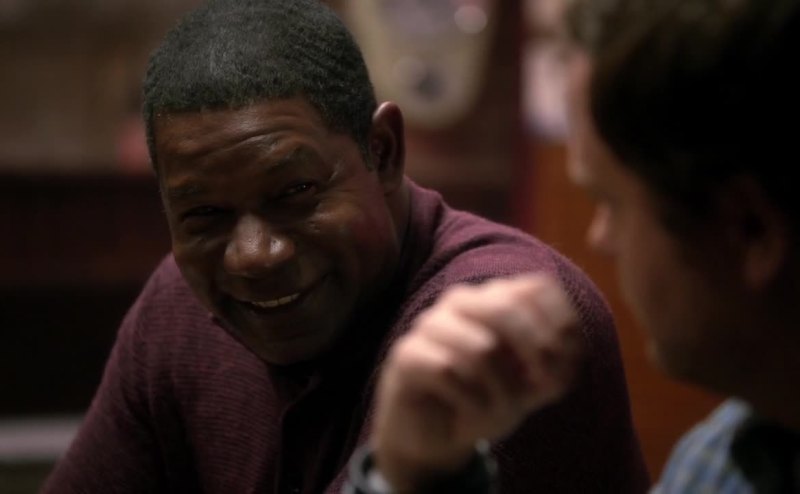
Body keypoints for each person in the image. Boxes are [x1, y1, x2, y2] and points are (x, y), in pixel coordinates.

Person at [41, 0, 648, 493]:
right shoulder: (179, 309)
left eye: (296, 192)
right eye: (204, 214)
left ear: (382, 152)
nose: (254, 254)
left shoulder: (489, 324)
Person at [346, 0, 800, 492]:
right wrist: (415, 473)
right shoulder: (718, 462)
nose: (599, 237)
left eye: (611, 203)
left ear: (749, 230)